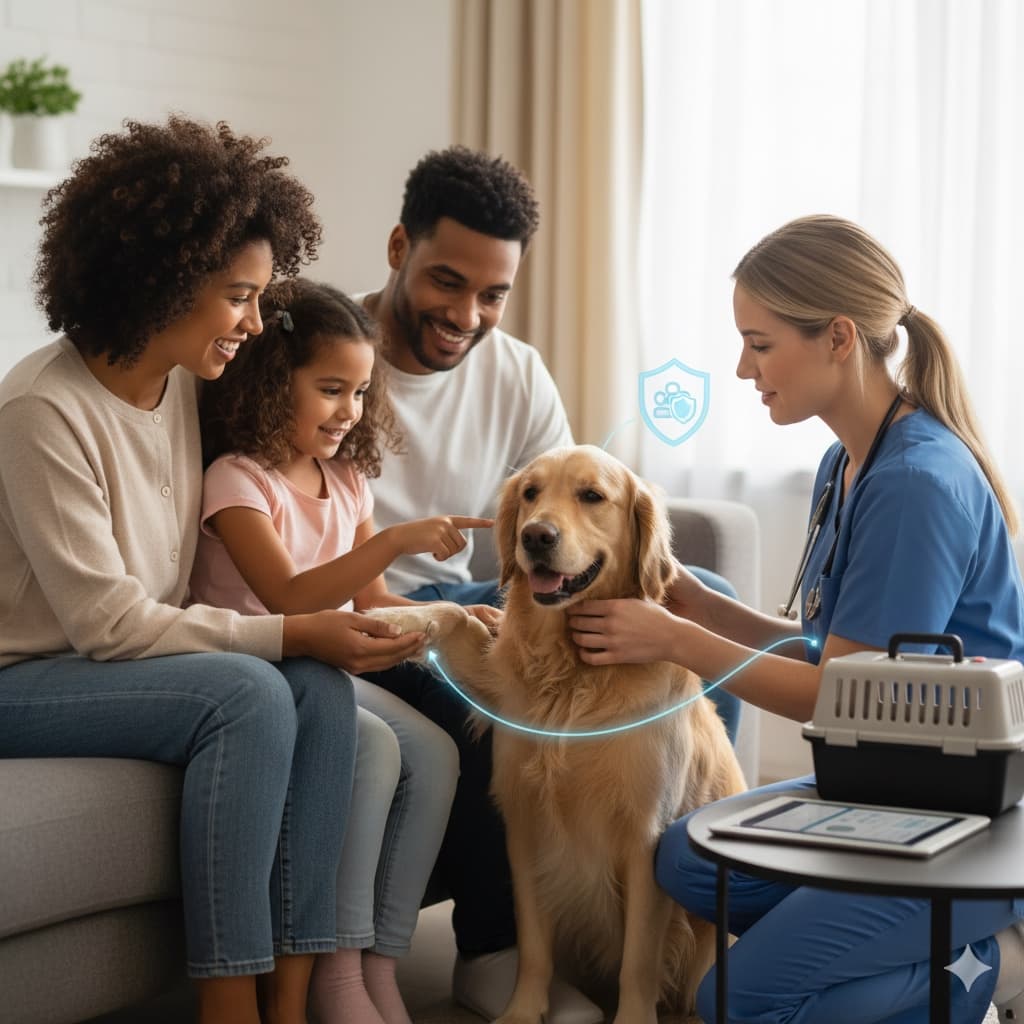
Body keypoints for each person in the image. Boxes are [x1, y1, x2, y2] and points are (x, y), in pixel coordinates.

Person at [0, 116, 427, 1024]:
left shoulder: (187, 386)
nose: (256, 324)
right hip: (23, 676)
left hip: (112, 662)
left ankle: (296, 991)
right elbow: (109, 624)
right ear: (162, 281)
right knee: (250, 691)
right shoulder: (41, 411)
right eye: (240, 296)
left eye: (261, 296)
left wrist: (326, 616)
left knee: (311, 683)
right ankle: (229, 1003)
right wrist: (290, 625)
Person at [567, 214, 1024, 1023]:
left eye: (760, 342)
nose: (743, 367)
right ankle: (897, 949)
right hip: (887, 784)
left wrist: (677, 639)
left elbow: (840, 693)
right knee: (686, 860)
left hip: (963, 819)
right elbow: (837, 649)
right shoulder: (847, 458)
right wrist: (707, 608)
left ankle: (971, 970)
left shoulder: (915, 483)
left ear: (839, 337)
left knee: (732, 1003)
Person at [358, 144, 743, 1022]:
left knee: (693, 598)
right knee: (471, 663)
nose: (467, 314)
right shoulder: (331, 351)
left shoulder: (516, 370)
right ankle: (494, 949)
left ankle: (686, 852)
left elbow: (564, 519)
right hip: (384, 610)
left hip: (481, 595)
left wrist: (652, 585)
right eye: (446, 282)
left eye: (492, 295)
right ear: (397, 250)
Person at [193, 278, 488, 1024]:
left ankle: (377, 957)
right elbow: (291, 597)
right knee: (381, 755)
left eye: (359, 393)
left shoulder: (347, 481)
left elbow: (375, 602)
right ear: (271, 381)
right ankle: (334, 969)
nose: (348, 412)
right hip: (261, 665)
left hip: (322, 665)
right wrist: (394, 537)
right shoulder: (236, 481)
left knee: (438, 754)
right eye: (330, 389)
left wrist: (452, 618)